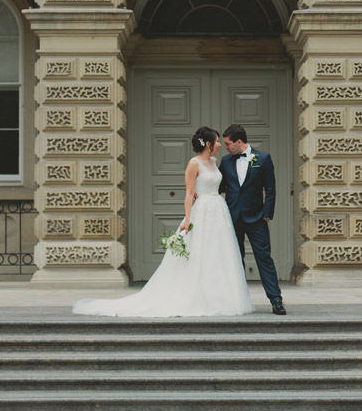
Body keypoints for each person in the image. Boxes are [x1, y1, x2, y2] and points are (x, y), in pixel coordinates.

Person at [73, 127, 253, 317]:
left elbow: (219, 184)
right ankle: (198, 298)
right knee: (200, 254)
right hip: (202, 213)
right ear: (208, 143)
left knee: (219, 255)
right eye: (217, 141)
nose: (219, 145)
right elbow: (189, 194)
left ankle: (221, 298)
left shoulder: (215, 162)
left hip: (218, 211)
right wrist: (187, 219)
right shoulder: (194, 164)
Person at [219, 124, 286, 315]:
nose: (226, 147)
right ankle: (237, 301)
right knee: (235, 260)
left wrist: (266, 215)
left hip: (257, 218)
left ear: (239, 142)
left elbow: (270, 190)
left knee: (264, 259)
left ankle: (276, 300)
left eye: (228, 143)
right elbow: (221, 186)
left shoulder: (263, 159)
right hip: (233, 218)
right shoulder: (225, 162)